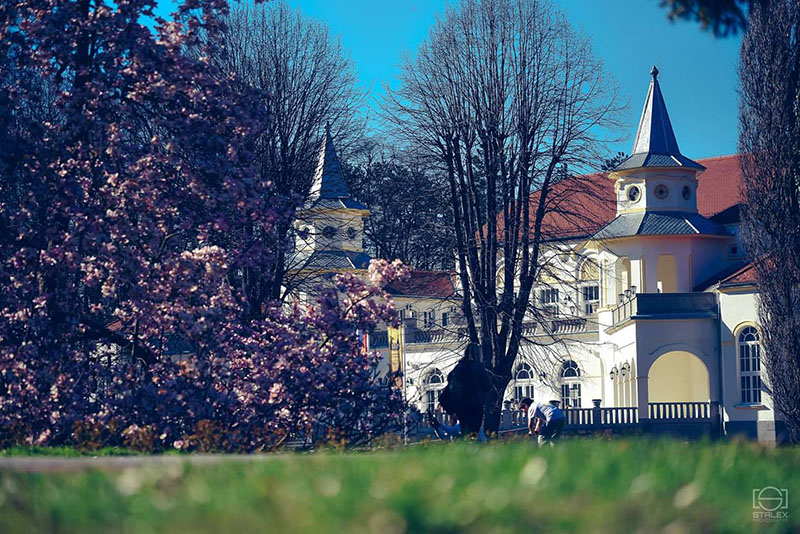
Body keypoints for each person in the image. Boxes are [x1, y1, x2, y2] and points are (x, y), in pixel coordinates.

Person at [437, 343, 492, 437]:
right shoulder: (478, 367)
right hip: (475, 407)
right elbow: (487, 385)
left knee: (465, 431)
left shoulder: (459, 367)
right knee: (473, 433)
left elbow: (450, 380)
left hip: (461, 407)